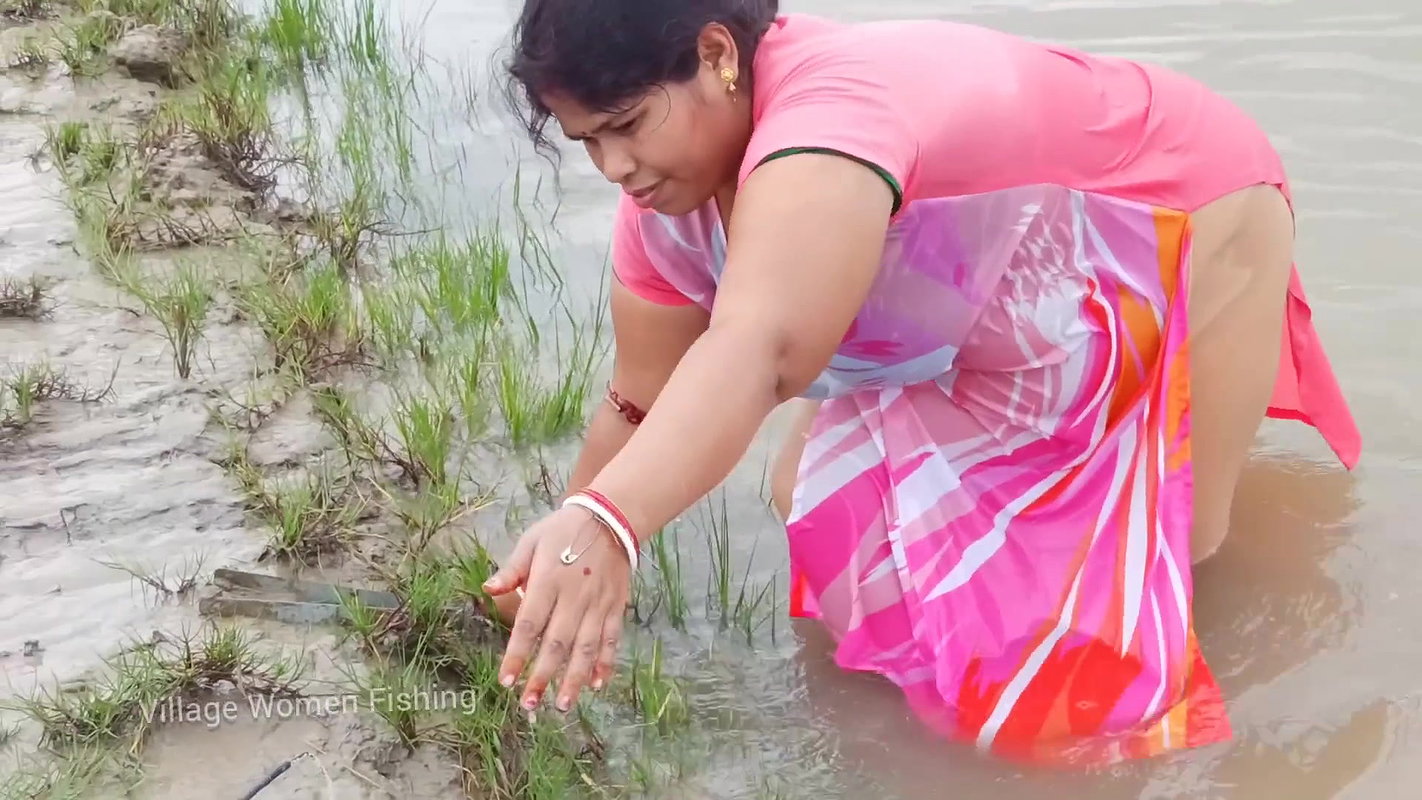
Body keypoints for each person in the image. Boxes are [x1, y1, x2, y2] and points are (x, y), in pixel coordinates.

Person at [481, 0, 1362, 765]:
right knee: (815, 493)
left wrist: (612, 524)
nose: (615, 171)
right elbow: (637, 404)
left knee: (1176, 546)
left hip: (1177, 221)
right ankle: (908, 729)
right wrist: (564, 555)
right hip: (985, 286)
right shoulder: (666, 211)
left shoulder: (831, 123)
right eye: (587, 140)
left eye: (629, 125)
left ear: (719, 56)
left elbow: (763, 352)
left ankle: (1259, 710)